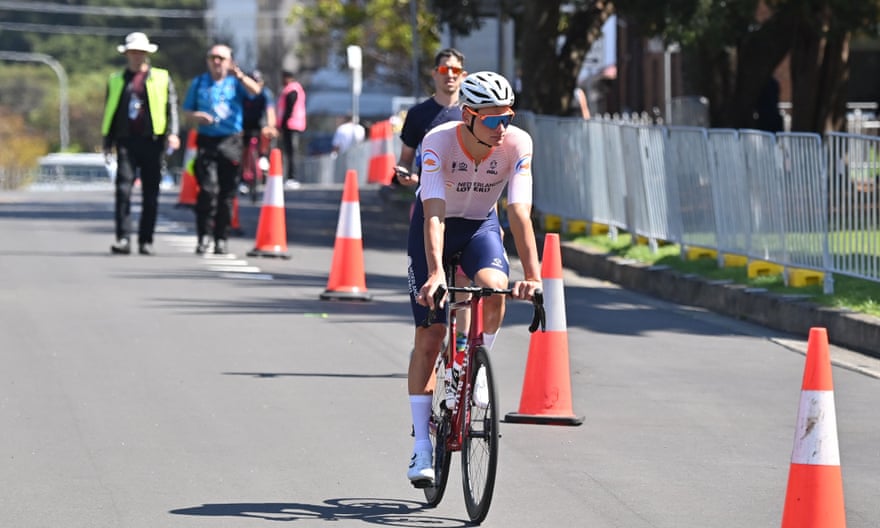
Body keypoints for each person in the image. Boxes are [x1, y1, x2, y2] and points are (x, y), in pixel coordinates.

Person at [404, 71, 542, 486]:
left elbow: (519, 213)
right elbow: (433, 214)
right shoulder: (438, 141)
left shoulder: (518, 144)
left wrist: (532, 276)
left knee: (495, 289)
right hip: (435, 227)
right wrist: (435, 273)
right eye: (492, 119)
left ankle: (477, 365)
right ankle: (422, 447)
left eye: (508, 117)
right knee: (431, 335)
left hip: (481, 226)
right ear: (467, 116)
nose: (502, 127)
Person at [102, 31, 180, 256]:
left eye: (140, 52)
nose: (137, 56)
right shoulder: (116, 80)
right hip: (126, 141)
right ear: (127, 54)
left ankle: (146, 240)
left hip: (153, 141)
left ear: (146, 54)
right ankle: (123, 237)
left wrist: (173, 133)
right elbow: (110, 111)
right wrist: (107, 141)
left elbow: (171, 107)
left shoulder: (161, 77)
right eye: (133, 52)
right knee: (123, 190)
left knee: (150, 193)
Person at [181, 44, 261, 255]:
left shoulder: (235, 83)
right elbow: (187, 110)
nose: (216, 62)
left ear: (229, 62)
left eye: (221, 58)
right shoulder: (199, 83)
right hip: (207, 140)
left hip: (231, 141)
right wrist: (197, 116)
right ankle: (204, 236)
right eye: (212, 57)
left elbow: (256, 91)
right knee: (208, 190)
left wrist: (240, 75)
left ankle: (221, 238)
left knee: (227, 193)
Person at [390, 48, 466, 192]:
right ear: (435, 74)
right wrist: (403, 174)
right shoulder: (417, 114)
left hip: (463, 197)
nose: (450, 74)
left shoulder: (470, 115)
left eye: (455, 70)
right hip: (428, 195)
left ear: (463, 75)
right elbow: (405, 161)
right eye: (444, 69)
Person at [240, 69, 277, 194]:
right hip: (244, 125)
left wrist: (271, 126)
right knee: (241, 150)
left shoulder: (265, 93)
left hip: (261, 124)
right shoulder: (242, 93)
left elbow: (270, 111)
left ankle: (263, 157)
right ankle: (242, 178)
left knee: (267, 137)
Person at [277, 70, 307, 188]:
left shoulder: (292, 90)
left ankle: (292, 177)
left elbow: (288, 109)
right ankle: (290, 176)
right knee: (290, 152)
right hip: (292, 124)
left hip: (291, 125)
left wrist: (282, 125)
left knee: (291, 152)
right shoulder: (293, 89)